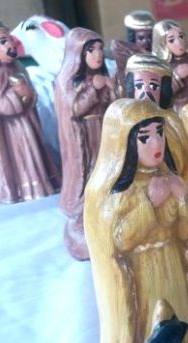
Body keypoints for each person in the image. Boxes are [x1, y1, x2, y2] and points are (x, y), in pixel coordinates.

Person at [83, 99, 188, 343]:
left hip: (171, 265)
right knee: (151, 326)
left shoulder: (168, 177)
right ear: (124, 143)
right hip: (141, 275)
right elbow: (118, 241)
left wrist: (183, 202)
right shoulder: (116, 192)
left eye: (159, 133)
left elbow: (185, 234)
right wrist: (148, 203)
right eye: (144, 137)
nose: (157, 144)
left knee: (178, 318)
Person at [124, 54, 188, 290]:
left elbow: (184, 154)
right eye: (139, 85)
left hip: (181, 184)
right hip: (148, 194)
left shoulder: (171, 120)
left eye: (153, 86)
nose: (146, 92)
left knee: (187, 232)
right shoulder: (125, 124)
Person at [0, 20, 59, 203]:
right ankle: (21, 189)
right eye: (3, 42)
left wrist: (28, 94)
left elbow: (31, 94)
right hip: (9, 130)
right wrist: (17, 95)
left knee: (33, 152)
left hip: (27, 121)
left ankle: (42, 183)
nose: (11, 45)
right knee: (20, 157)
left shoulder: (17, 66)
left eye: (10, 39)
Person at [55, 28, 115, 260]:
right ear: (78, 54)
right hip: (86, 137)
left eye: (100, 49)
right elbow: (74, 108)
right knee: (91, 172)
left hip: (105, 132)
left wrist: (112, 89)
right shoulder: (66, 81)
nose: (97, 55)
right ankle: (86, 213)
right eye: (91, 50)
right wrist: (93, 88)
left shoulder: (103, 75)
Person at [111, 10, 156, 95]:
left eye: (150, 37)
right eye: (141, 38)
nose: (146, 42)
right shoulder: (124, 59)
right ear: (133, 39)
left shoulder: (158, 56)